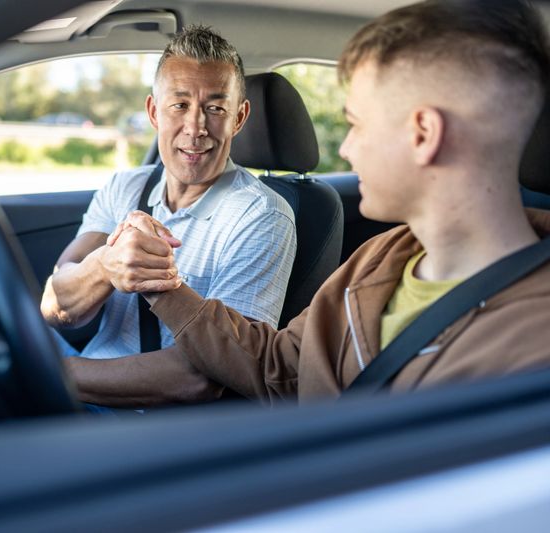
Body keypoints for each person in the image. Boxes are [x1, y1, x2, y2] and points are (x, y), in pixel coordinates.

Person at [71, 0, 550, 406]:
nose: (345, 149)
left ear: (423, 134)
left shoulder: (532, 340)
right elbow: (278, 365)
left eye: (357, 124)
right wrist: (157, 281)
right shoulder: (381, 259)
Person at [0, 26, 297, 398]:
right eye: (180, 105)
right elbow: (56, 305)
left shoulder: (261, 216)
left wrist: (52, 373)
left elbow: (208, 375)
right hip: (83, 372)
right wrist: (105, 266)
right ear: (155, 112)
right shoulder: (126, 187)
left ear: (239, 117)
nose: (196, 127)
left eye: (215, 108)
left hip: (140, 419)